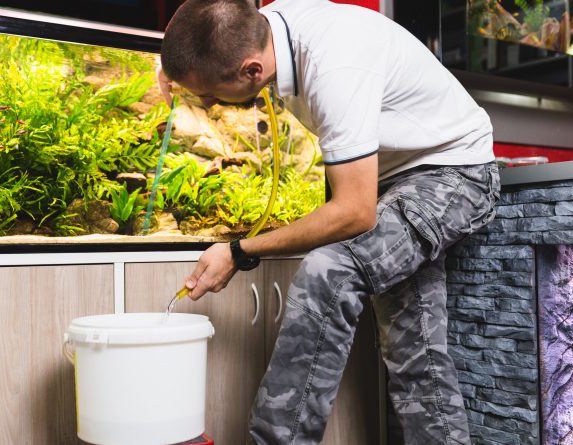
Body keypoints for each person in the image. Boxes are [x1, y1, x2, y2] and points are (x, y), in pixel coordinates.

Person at [157, 0, 500, 443]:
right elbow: (218, 17)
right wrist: (173, 68)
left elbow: (355, 212)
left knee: (329, 270)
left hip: (453, 175)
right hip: (391, 183)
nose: (204, 101)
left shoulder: (335, 66)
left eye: (207, 91)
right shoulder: (265, 25)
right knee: (415, 351)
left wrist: (240, 251)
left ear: (251, 72)